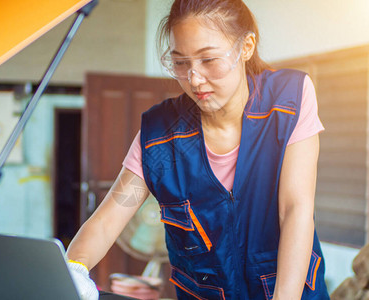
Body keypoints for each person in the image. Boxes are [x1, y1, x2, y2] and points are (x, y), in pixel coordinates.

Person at [66, 0, 330, 299]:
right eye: (181, 63)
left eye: (208, 60)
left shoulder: (289, 100)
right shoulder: (159, 134)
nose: (194, 79)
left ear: (246, 47)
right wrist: (73, 271)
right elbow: (106, 221)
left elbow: (295, 209)